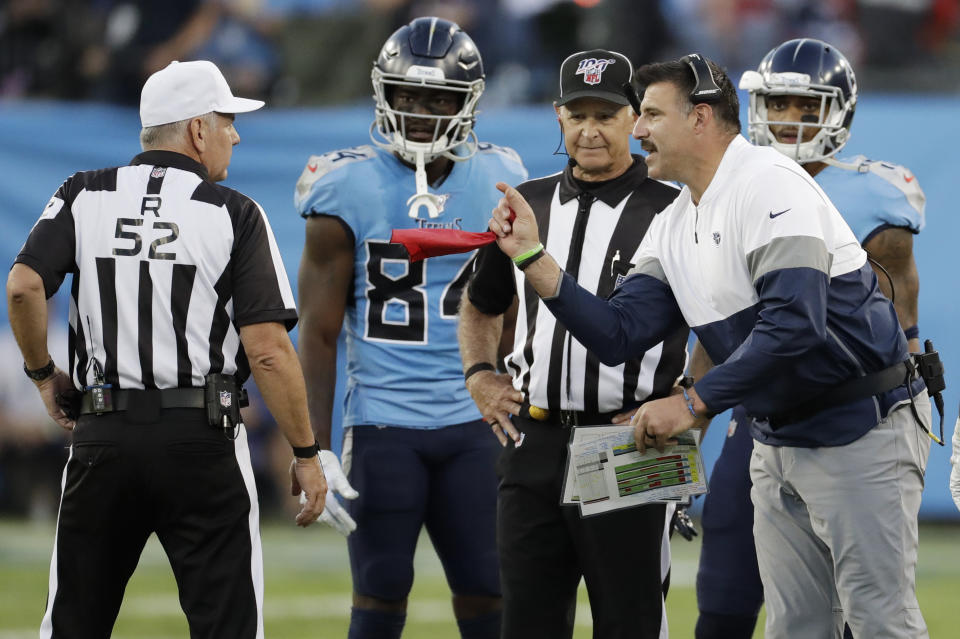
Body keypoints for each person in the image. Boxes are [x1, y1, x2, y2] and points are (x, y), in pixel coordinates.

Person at [486, 53, 932, 639]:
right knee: (796, 625)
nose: (638, 129)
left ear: (699, 118)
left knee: (879, 621)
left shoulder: (768, 181)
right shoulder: (677, 218)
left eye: (650, 114)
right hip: (777, 433)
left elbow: (797, 326)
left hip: (858, 424)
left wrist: (693, 403)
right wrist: (531, 258)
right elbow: (617, 334)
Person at [6, 59, 328, 639]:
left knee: (73, 626)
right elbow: (270, 350)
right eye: (227, 121)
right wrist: (305, 452)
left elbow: (24, 285)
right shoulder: (235, 213)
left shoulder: (83, 193)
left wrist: (42, 373)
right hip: (200, 439)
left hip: (104, 431)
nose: (235, 134)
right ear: (197, 130)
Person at [293, 17, 527, 639]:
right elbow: (316, 332)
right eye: (408, 96)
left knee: (488, 586)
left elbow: (514, 315)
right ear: (383, 94)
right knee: (380, 589)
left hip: (478, 418)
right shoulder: (343, 184)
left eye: (438, 99)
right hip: (382, 421)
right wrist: (313, 444)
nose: (420, 113)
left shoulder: (501, 175)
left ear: (468, 103)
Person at [692, 38, 928, 638]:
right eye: (779, 105)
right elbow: (714, 313)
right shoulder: (726, 187)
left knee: (868, 609)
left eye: (806, 107)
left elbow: (902, 316)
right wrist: (693, 412)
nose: (790, 121)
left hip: (854, 416)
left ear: (839, 113)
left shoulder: (876, 193)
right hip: (760, 414)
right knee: (729, 596)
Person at [459, 48, 686, 639]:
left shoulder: (674, 207)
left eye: (606, 115)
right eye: (577, 113)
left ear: (635, 120)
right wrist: (480, 375)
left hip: (629, 436)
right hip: (532, 436)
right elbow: (481, 303)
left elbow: (717, 320)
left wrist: (690, 399)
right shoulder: (527, 201)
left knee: (632, 622)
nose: (589, 130)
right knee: (528, 623)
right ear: (558, 116)